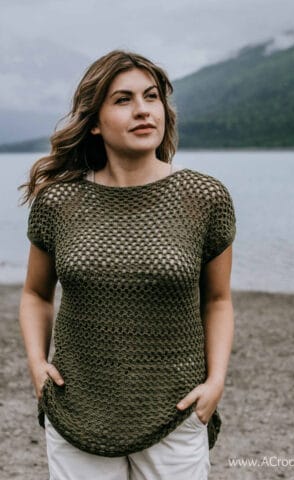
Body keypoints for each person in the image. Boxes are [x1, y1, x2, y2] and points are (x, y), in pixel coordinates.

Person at [18, 50, 236, 480]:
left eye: (151, 97)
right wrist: (36, 366)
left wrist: (216, 382)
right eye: (123, 99)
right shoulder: (58, 202)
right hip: (77, 410)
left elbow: (218, 300)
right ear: (94, 122)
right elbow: (35, 294)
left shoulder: (204, 198)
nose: (142, 110)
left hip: (177, 409)